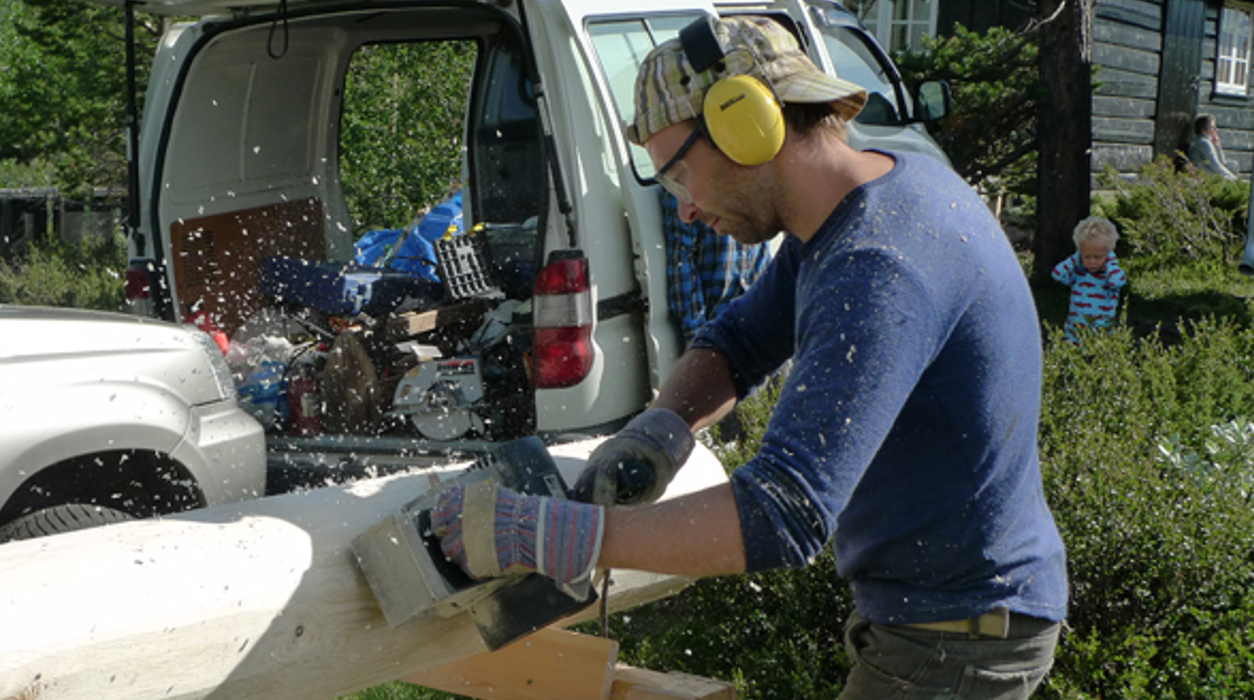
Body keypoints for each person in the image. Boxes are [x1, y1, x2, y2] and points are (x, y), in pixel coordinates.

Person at [429, 15, 1067, 700]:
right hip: (949, 615)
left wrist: (565, 534)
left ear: (748, 126)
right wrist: (660, 429)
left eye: (679, 175)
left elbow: (783, 514)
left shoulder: (880, 264)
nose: (685, 211)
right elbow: (739, 342)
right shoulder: (867, 204)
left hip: (959, 640)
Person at [662, 187, 770, 348]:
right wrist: (695, 331)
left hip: (759, 309)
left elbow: (762, 247)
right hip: (717, 316)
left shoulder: (748, 175)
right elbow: (681, 261)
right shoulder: (681, 186)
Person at [1051, 216, 1127, 343]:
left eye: (1098, 257)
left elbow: (1117, 282)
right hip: (1075, 335)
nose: (1092, 262)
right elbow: (1057, 274)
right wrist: (1076, 258)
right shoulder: (1078, 275)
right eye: (1087, 256)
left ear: (1109, 253)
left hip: (1101, 337)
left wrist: (1111, 261)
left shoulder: (1111, 275)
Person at [1186, 114, 1238, 180]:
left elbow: (1222, 162)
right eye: (1212, 128)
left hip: (1209, 172)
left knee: (1232, 165)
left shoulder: (1207, 142)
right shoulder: (1203, 143)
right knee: (1228, 178)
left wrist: (1217, 145)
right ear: (1204, 130)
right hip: (1203, 176)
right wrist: (1232, 177)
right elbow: (1215, 165)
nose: (1216, 130)